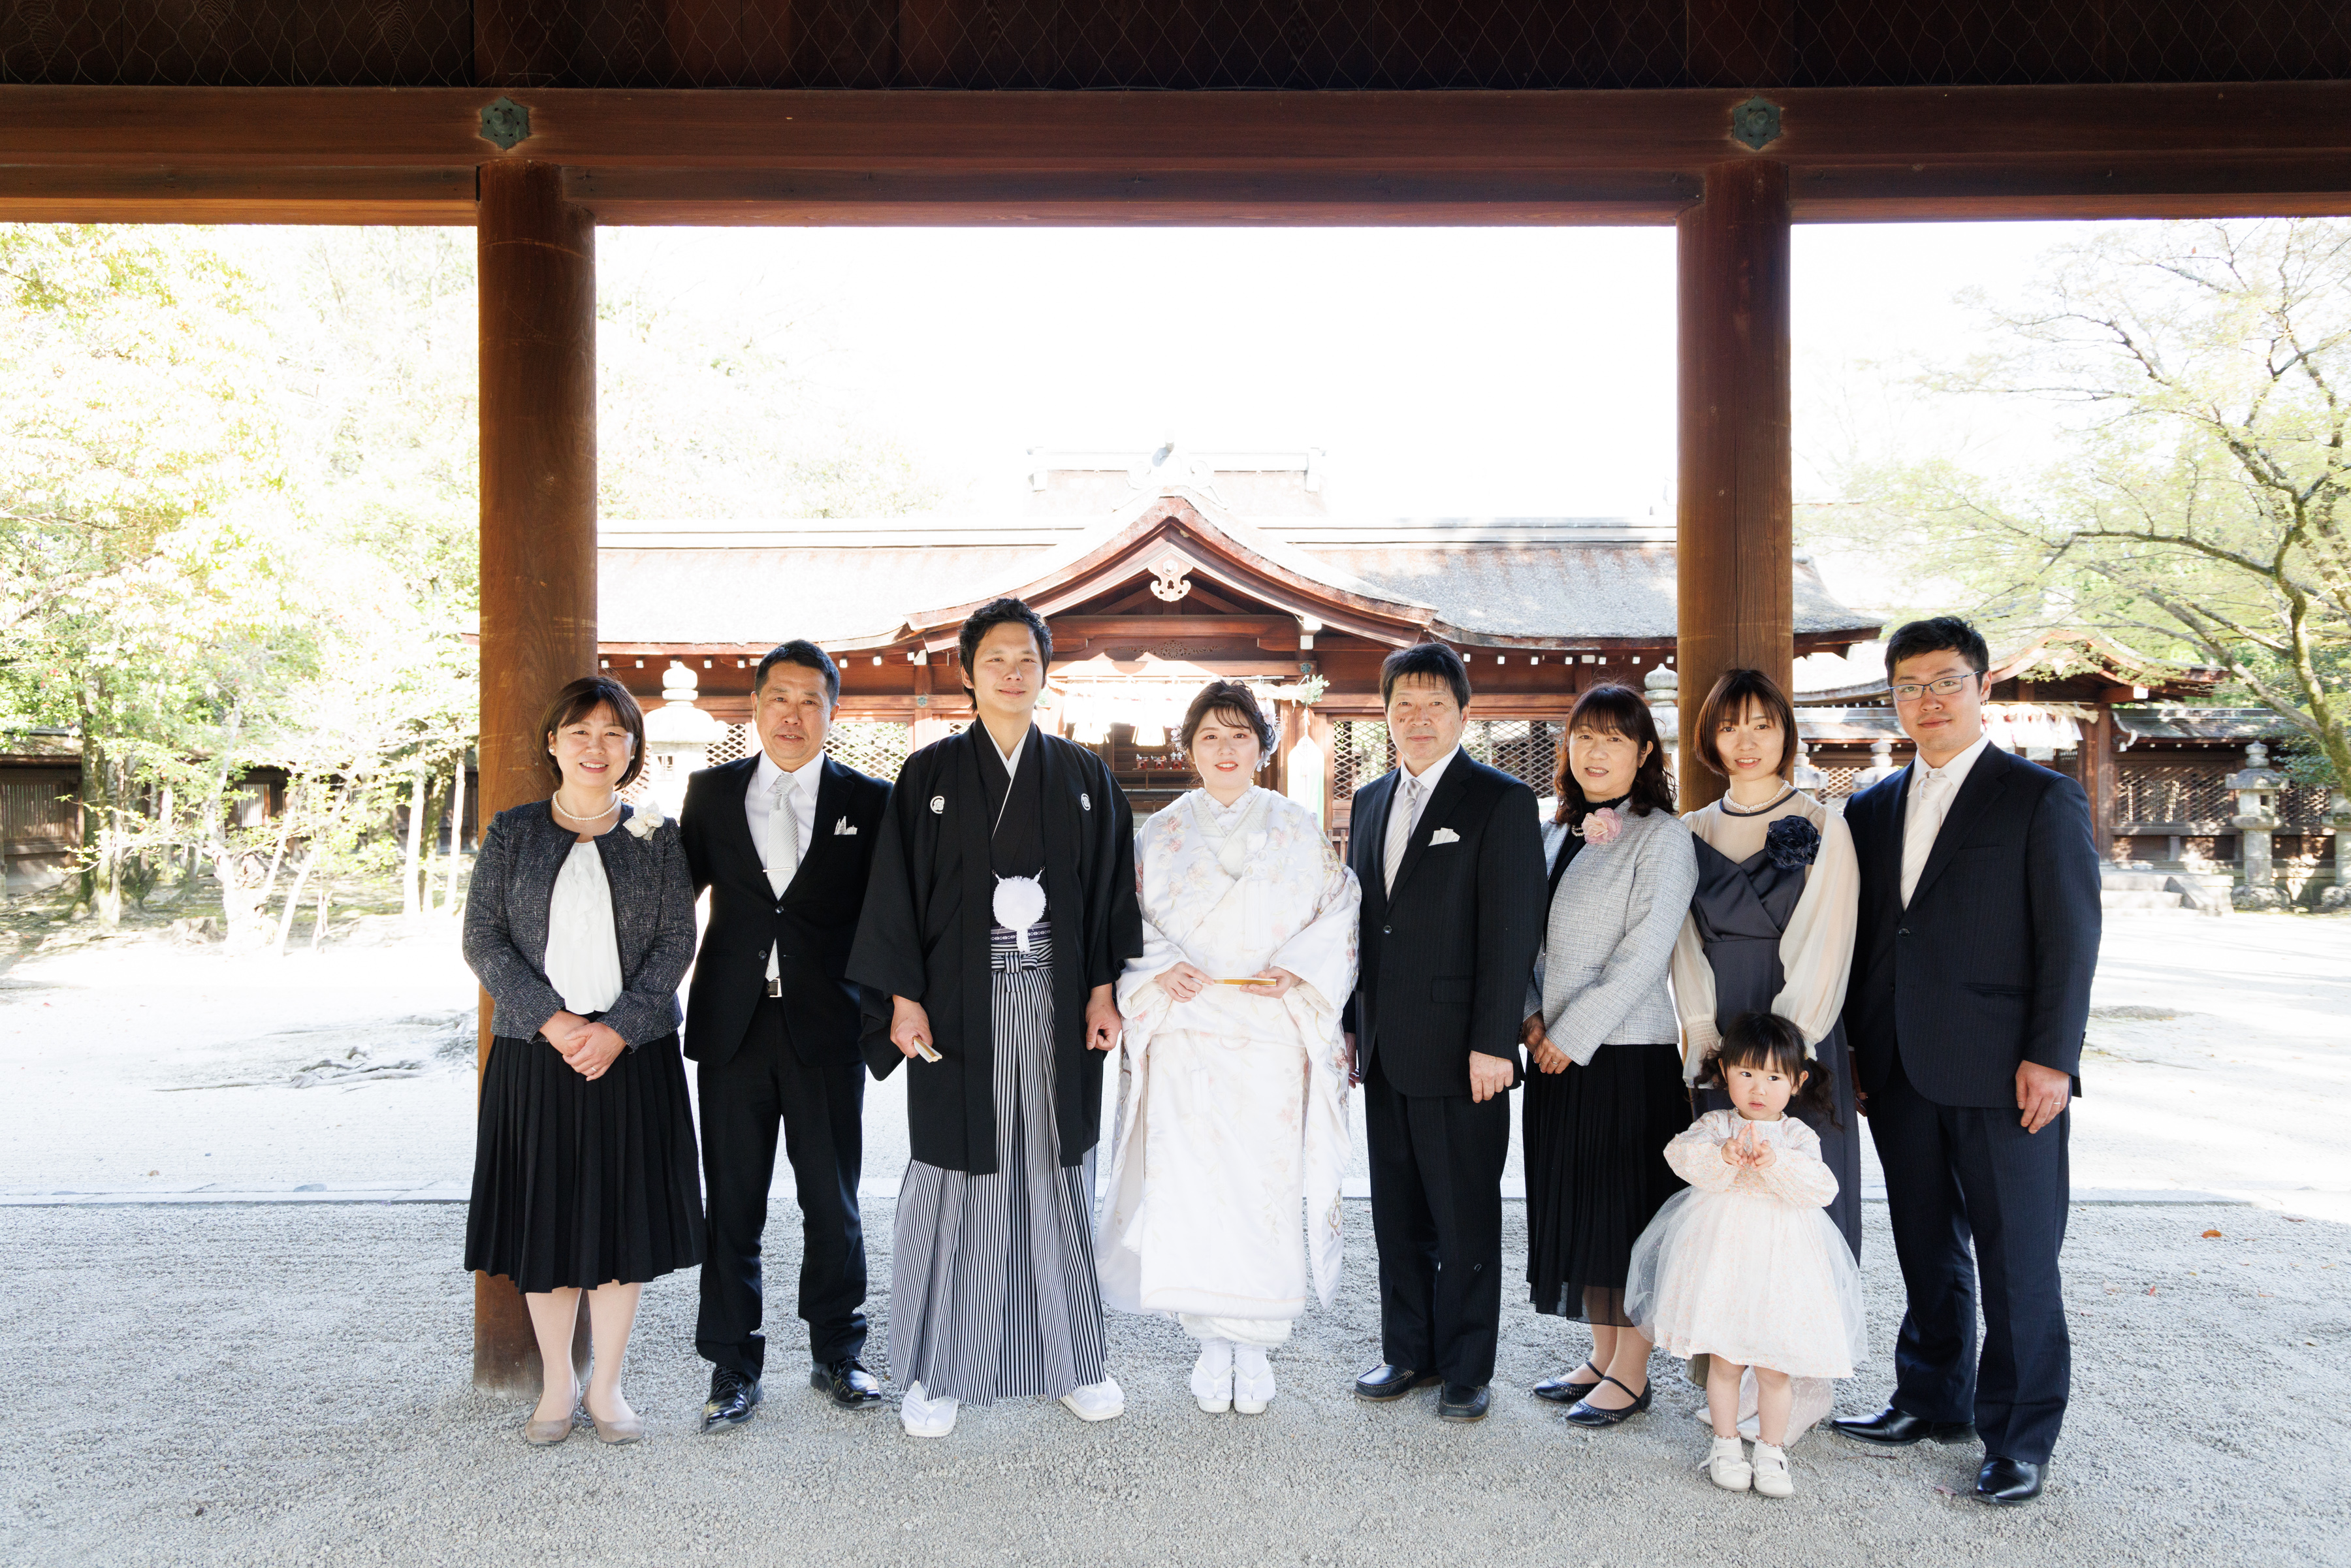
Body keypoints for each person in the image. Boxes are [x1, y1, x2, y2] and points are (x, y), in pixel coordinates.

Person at [847, 597, 1144, 1438]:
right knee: (959, 1176)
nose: (1013, 674)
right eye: (995, 660)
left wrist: (1102, 990)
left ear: (1046, 673)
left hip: (1057, 999)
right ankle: (941, 1368)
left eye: (1027, 660)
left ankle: (1074, 1360)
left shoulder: (1083, 776)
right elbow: (895, 892)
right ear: (969, 675)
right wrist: (902, 998)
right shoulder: (930, 775)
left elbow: (1108, 891)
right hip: (956, 1006)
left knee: (1053, 1172)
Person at [1829, 616, 2100, 1507]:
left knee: (2018, 1256)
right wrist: (1857, 1046)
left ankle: (2018, 1436)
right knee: (1926, 1242)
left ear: (1982, 687)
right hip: (1899, 1063)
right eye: (1909, 687)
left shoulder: (2038, 798)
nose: (1929, 700)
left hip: (2006, 1070)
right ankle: (1931, 1397)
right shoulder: (1870, 807)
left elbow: (2070, 936)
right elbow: (1870, 940)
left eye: (1946, 681)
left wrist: (2052, 1057)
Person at [1102, 680, 1360, 1416]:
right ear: (1190, 748)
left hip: (1269, 1035)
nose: (1225, 749)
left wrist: (1301, 968)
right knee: (1191, 1191)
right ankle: (1211, 1344)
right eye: (1210, 736)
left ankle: (1256, 1345)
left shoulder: (1296, 826)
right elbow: (1125, 916)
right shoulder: (1159, 834)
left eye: (1240, 735)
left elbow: (1341, 905)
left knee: (1262, 1190)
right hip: (1186, 1036)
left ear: (1261, 747)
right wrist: (1158, 966)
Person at [462, 675, 701, 1448]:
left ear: (632, 748)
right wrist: (556, 1022)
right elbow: (483, 940)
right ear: (554, 743)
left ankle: (608, 1385)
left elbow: (677, 942)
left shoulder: (657, 835)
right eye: (580, 732)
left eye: (612, 733)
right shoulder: (513, 833)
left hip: (632, 1055)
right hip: (537, 1054)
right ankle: (557, 1384)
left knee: (622, 1218)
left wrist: (618, 1029)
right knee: (546, 1218)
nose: (596, 747)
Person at [679, 640, 892, 1432]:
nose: (793, 716)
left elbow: (891, 917)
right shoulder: (710, 794)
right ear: (756, 707)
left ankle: (839, 1351)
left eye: (810, 701)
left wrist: (892, 1011)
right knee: (732, 1204)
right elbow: (670, 906)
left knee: (831, 1202)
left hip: (826, 1027)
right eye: (779, 699)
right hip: (733, 1027)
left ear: (833, 711)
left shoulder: (869, 800)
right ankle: (733, 1364)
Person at [1345, 641, 1546, 1424]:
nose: (1419, 718)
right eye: (1404, 705)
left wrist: (1495, 1041)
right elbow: (1361, 924)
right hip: (1385, 1045)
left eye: (1435, 704)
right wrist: (1351, 1025)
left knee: (1463, 1213)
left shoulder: (1500, 799)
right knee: (1396, 1210)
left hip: (1466, 1049)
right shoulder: (1370, 799)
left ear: (1464, 713)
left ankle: (1466, 1367)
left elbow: (1512, 929)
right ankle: (1407, 1350)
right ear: (1386, 715)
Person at [1520, 682, 1699, 1428]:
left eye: (1615, 738)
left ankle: (1632, 1371)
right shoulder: (1552, 830)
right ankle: (1600, 1354)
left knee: (1625, 1214)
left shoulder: (1663, 836)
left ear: (1644, 751)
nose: (1596, 752)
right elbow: (1521, 939)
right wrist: (1532, 1019)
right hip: (1552, 1054)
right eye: (1585, 736)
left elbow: (1644, 953)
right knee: (1578, 1210)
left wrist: (1571, 1033)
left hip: (1623, 1054)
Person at [1627, 1012, 1867, 1500]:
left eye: (1775, 1077)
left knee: (1775, 1366)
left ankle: (1772, 1451)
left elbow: (1822, 1187)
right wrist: (1722, 1156)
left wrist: (1777, 1163)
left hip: (1782, 1262)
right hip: (1725, 1258)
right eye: (1747, 1073)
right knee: (1726, 1359)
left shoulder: (1797, 1136)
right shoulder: (1716, 1124)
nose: (1759, 1088)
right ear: (1726, 1072)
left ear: (1797, 1082)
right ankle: (1726, 1444)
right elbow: (1679, 1155)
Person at [1670, 667, 1863, 1257]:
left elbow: (1829, 936)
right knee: (1724, 1178)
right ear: (1710, 738)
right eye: (1729, 727)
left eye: (1762, 725)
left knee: (1797, 1175)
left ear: (1786, 734)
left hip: (1800, 1023)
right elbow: (1683, 942)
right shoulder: (1690, 829)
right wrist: (1702, 1029)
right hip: (1720, 1022)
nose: (1746, 741)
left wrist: (1789, 1044)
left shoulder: (1825, 825)